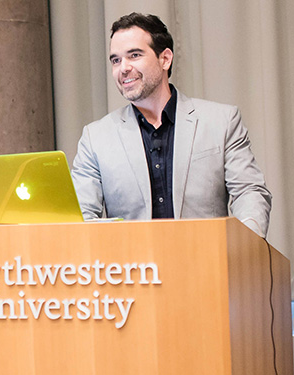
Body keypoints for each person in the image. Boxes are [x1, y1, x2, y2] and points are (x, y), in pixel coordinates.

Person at [71, 12, 272, 237]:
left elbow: (249, 192)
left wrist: (245, 246)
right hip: (133, 268)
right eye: (116, 60)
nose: (123, 68)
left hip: (208, 265)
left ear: (165, 59)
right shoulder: (95, 138)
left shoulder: (222, 121)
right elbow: (82, 215)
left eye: (134, 55)